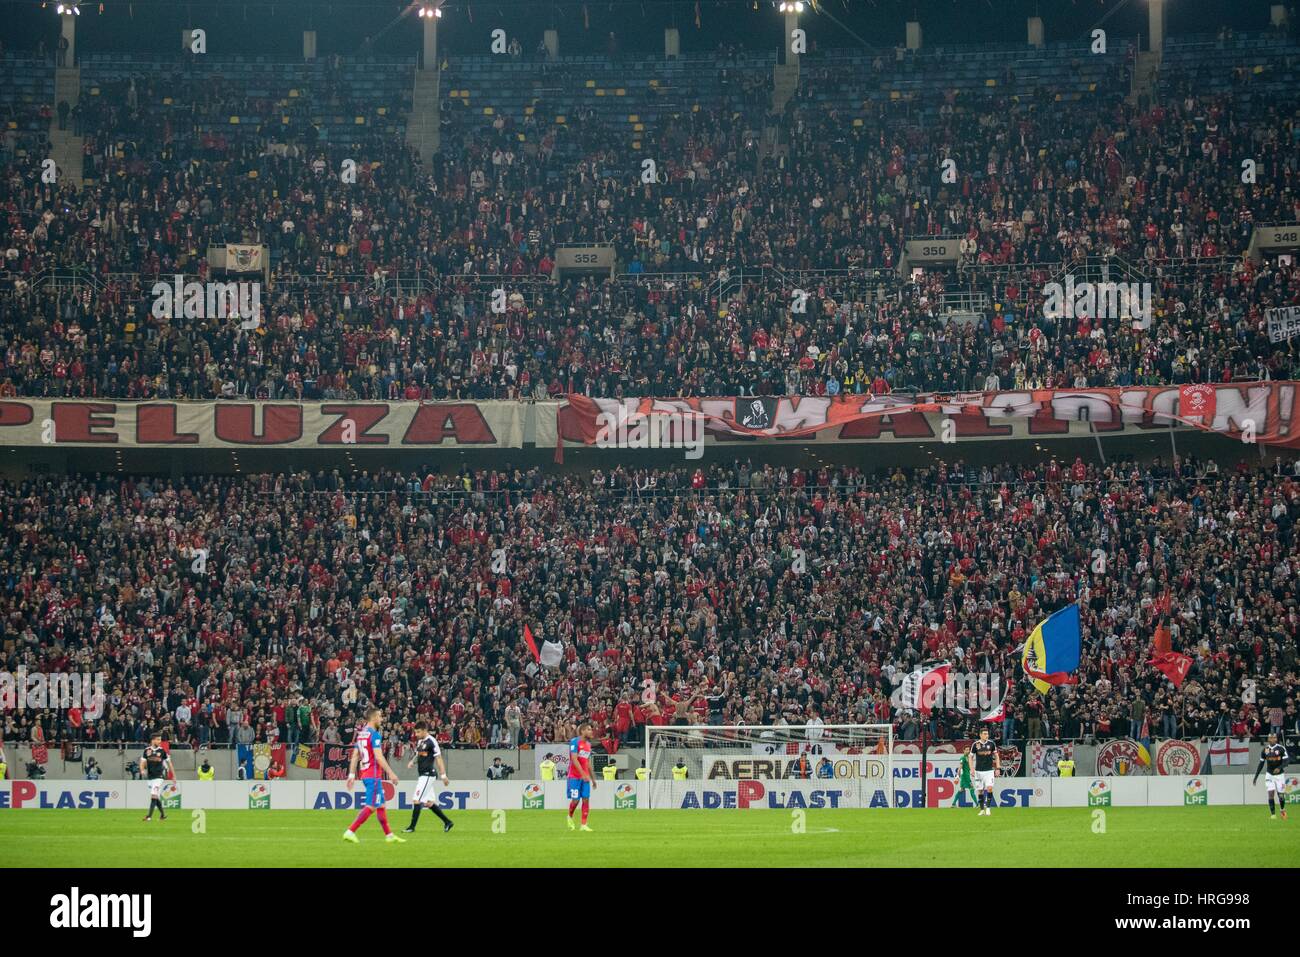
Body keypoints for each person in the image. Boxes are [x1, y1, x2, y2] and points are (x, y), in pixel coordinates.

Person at [343, 707, 404, 844]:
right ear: (374, 718)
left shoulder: (361, 734)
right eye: (380, 716)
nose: (382, 719)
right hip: (373, 775)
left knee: (381, 805)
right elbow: (378, 756)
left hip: (365, 774)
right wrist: (391, 773)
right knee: (371, 806)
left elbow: (355, 756)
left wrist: (352, 775)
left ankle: (389, 835)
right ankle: (350, 831)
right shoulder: (374, 734)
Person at [405, 721, 454, 834]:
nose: (416, 734)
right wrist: (412, 761)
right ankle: (448, 822)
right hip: (423, 775)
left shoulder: (432, 741)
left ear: (424, 730)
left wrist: (443, 775)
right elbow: (418, 754)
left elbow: (439, 758)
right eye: (415, 732)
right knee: (428, 803)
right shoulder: (420, 741)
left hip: (428, 775)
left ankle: (411, 827)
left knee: (416, 800)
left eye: (418, 732)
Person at [566, 722, 596, 832]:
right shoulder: (575, 742)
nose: (591, 731)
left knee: (586, 799)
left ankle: (584, 824)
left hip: (585, 778)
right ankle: (569, 816)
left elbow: (587, 763)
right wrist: (582, 774)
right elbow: (574, 759)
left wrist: (593, 779)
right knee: (575, 800)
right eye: (588, 729)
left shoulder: (588, 745)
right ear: (582, 731)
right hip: (574, 777)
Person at [1253, 732, 1290, 821]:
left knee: (1281, 795)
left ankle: (1282, 810)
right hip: (1269, 775)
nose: (1272, 739)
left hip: (1280, 775)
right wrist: (1256, 777)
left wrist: (1279, 767)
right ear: (1268, 739)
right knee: (1270, 794)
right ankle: (1273, 814)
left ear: (1276, 739)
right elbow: (1261, 764)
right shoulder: (1265, 750)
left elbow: (1287, 761)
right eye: (1270, 738)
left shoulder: (1281, 748)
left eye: (1274, 737)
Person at [140, 732, 172, 822]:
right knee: (156, 797)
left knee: (153, 795)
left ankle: (149, 816)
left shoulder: (162, 751)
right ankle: (163, 815)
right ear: (153, 740)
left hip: (159, 777)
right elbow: (142, 762)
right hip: (150, 777)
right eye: (158, 739)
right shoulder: (147, 750)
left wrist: (173, 775)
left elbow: (169, 763)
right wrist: (142, 770)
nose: (160, 741)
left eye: (160, 739)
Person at [968, 727, 1000, 817]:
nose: (987, 735)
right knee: (980, 791)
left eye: (987, 734)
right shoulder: (975, 744)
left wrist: (997, 768)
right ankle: (982, 810)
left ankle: (988, 808)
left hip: (989, 771)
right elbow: (970, 757)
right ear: (980, 735)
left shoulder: (991, 744)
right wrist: (971, 769)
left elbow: (996, 756)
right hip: (978, 771)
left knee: (989, 788)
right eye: (985, 734)